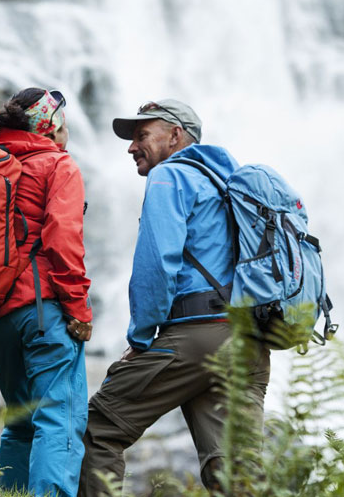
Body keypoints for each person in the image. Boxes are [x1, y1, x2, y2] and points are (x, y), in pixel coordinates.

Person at [78, 99, 270, 495]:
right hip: (247, 340)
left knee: (99, 427)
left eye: (142, 135)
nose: (132, 147)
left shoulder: (170, 176)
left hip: (197, 335)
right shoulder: (224, 182)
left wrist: (141, 338)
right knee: (234, 466)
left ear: (176, 136)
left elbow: (157, 263)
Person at [0, 87, 93, 497]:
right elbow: (63, 240)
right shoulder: (56, 164)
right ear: (52, 126)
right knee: (59, 417)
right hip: (41, 310)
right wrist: (78, 309)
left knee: (21, 422)